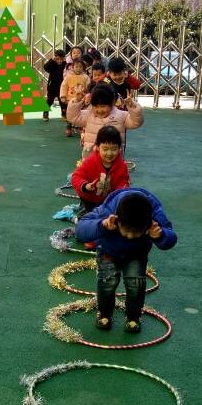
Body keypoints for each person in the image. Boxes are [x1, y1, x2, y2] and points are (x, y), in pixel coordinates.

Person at [75, 188, 176, 334]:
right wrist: (102, 225)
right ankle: (104, 314)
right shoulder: (108, 210)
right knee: (107, 282)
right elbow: (81, 229)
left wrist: (160, 235)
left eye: (135, 233)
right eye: (126, 231)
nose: (129, 236)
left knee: (136, 283)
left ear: (147, 225)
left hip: (137, 254)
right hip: (108, 251)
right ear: (117, 220)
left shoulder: (154, 213)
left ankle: (133, 317)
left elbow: (171, 237)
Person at [71, 124, 130, 217]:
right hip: (89, 200)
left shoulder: (122, 165)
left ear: (119, 148)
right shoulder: (90, 162)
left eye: (114, 149)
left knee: (114, 218)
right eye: (105, 149)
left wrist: (120, 192)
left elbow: (124, 181)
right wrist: (85, 186)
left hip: (109, 202)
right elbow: (76, 177)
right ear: (97, 147)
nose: (109, 153)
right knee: (86, 218)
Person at [65, 83, 143, 152]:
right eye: (96, 106)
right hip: (91, 156)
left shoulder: (121, 116)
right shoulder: (89, 114)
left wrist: (133, 107)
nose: (99, 110)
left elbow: (136, 122)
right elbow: (72, 117)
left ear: (112, 103)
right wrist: (77, 100)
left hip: (113, 156)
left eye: (103, 106)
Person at [60, 59, 91, 137]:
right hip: (70, 99)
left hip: (81, 99)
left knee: (81, 114)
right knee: (70, 114)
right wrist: (63, 96)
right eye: (76, 67)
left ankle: (80, 128)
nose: (78, 68)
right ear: (72, 67)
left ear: (83, 68)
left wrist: (88, 95)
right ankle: (69, 128)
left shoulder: (86, 77)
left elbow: (89, 87)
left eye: (80, 67)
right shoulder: (68, 77)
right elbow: (64, 86)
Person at [42, 48, 66, 122]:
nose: (59, 61)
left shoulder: (64, 64)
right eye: (58, 59)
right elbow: (45, 67)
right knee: (49, 101)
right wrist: (51, 60)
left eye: (61, 59)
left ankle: (64, 115)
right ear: (55, 58)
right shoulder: (52, 63)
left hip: (61, 87)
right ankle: (45, 114)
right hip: (52, 87)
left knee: (62, 102)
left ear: (63, 58)